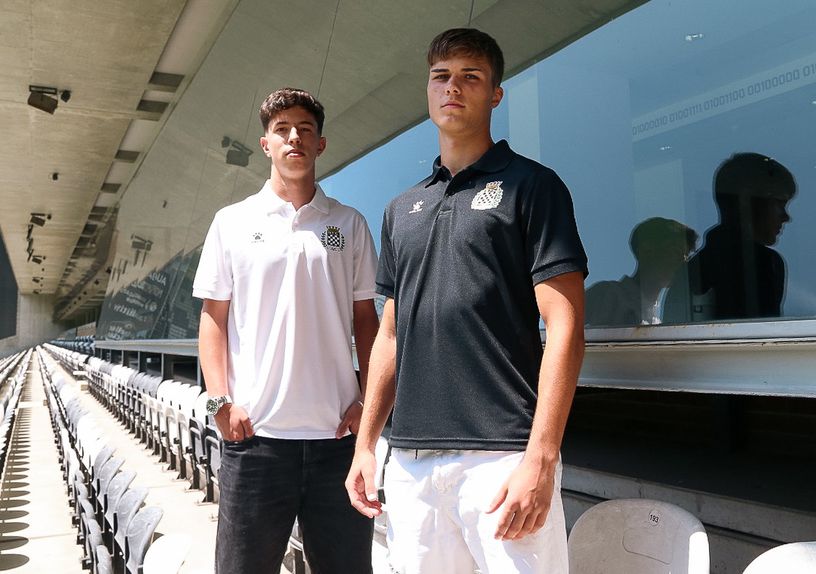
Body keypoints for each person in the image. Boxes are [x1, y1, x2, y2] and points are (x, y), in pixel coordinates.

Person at [346, 28, 589, 573]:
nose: (452, 87)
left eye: (470, 76)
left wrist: (541, 457)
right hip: (411, 461)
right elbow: (390, 335)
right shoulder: (401, 208)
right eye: (441, 76)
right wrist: (367, 445)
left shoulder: (533, 186)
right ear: (428, 91)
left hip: (503, 456)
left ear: (496, 94)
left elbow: (566, 325)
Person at [193, 87, 379, 574]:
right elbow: (213, 320)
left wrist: (368, 401)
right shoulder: (231, 222)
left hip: (338, 443)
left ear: (320, 144)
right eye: (282, 130)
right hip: (255, 442)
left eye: (305, 129)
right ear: (266, 144)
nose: (294, 137)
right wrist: (218, 402)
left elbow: (368, 322)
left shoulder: (349, 224)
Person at [664, 152, 796, 322]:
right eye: (780, 203)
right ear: (747, 201)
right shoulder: (765, 263)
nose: (786, 217)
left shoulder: (689, 273)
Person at [585, 217, 697, 326]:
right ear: (646, 251)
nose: (682, 263)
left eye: (686, 257)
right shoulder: (606, 295)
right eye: (675, 252)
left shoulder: (659, 319)